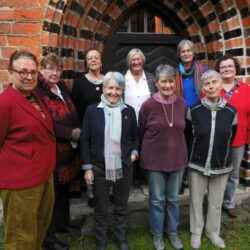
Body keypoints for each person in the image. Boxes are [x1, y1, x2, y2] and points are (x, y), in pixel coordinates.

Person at [0, 50, 56, 250]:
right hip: (20, 182)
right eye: (23, 72)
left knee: (38, 228)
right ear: (10, 73)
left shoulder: (34, 96)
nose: (29, 76)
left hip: (42, 175)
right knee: (20, 238)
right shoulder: (5, 102)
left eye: (33, 72)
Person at [82, 72, 138, 250]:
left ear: (122, 90)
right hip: (99, 167)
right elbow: (85, 140)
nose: (114, 92)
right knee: (101, 208)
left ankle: (121, 238)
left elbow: (135, 137)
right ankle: (101, 241)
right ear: (104, 88)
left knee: (121, 206)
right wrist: (88, 168)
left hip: (124, 166)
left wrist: (134, 153)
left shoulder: (128, 111)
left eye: (118, 88)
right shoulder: (92, 110)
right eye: (110, 88)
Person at [186, 70, 237, 249]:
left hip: (220, 163)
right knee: (196, 200)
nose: (211, 86)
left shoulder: (231, 111)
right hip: (197, 163)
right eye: (206, 84)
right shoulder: (194, 110)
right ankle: (196, 232)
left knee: (216, 202)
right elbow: (188, 136)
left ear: (221, 84)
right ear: (202, 89)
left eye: (214, 82)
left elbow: (232, 135)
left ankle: (212, 231)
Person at [36, 53, 81, 250]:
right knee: (51, 198)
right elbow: (44, 124)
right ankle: (49, 240)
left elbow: (70, 110)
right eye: (50, 69)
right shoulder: (38, 93)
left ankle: (62, 225)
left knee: (64, 191)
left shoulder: (61, 87)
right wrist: (70, 133)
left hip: (68, 151)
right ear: (42, 70)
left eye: (58, 69)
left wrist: (76, 129)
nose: (55, 73)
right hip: (53, 152)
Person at [139, 64, 187, 250]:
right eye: (163, 81)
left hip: (177, 158)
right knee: (157, 199)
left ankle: (172, 232)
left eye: (170, 81)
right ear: (156, 83)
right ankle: (157, 234)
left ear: (175, 82)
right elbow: (141, 130)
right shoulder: (148, 106)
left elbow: (185, 129)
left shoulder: (181, 103)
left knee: (173, 199)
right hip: (154, 160)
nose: (167, 85)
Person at [215, 54, 250, 218]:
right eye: (223, 67)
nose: (227, 69)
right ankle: (215, 202)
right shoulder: (213, 87)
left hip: (238, 139)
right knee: (217, 172)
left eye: (230, 66)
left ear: (236, 69)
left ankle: (229, 203)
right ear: (219, 71)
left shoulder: (246, 90)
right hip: (216, 140)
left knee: (233, 174)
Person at [72, 48, 104, 207]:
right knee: (90, 159)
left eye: (96, 57)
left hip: (107, 127)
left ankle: (109, 191)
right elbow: (75, 107)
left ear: (101, 61)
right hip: (88, 128)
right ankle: (91, 193)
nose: (93, 60)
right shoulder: (79, 82)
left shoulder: (108, 80)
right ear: (86, 63)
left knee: (108, 157)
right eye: (90, 58)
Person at [176, 39, 208, 194]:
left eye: (189, 50)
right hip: (180, 116)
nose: (186, 53)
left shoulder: (203, 70)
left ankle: (195, 183)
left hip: (198, 116)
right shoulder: (175, 72)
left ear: (193, 53)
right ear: (179, 54)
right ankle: (180, 181)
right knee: (180, 150)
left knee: (196, 150)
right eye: (183, 51)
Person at [124, 48, 156, 196]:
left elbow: (156, 99)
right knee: (128, 153)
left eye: (138, 59)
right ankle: (128, 183)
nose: (136, 62)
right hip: (127, 122)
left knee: (146, 153)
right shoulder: (122, 79)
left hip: (147, 123)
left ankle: (143, 182)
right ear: (129, 62)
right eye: (133, 59)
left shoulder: (150, 78)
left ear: (143, 60)